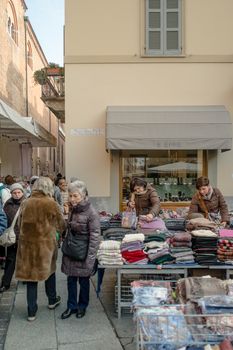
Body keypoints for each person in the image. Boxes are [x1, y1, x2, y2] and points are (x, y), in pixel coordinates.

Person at [15, 177, 65, 321]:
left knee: (31, 277)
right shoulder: (51, 204)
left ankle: (31, 311)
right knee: (49, 272)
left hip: (27, 246)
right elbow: (61, 225)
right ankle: (52, 300)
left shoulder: (25, 202)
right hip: (46, 246)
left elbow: (19, 224)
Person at [61, 180, 100, 320]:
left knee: (83, 283)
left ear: (83, 195)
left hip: (83, 253)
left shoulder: (92, 213)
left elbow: (95, 238)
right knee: (71, 281)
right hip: (71, 251)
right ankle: (71, 306)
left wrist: (90, 260)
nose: (72, 199)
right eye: (70, 196)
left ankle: (82, 306)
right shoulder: (72, 209)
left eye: (75, 196)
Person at [0, 183, 25, 293]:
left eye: (19, 192)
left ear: (22, 193)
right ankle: (5, 283)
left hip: (24, 237)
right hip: (12, 237)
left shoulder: (26, 204)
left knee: (24, 259)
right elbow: (4, 219)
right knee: (10, 260)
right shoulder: (7, 204)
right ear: (11, 193)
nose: (17, 194)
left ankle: (25, 278)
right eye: (14, 193)